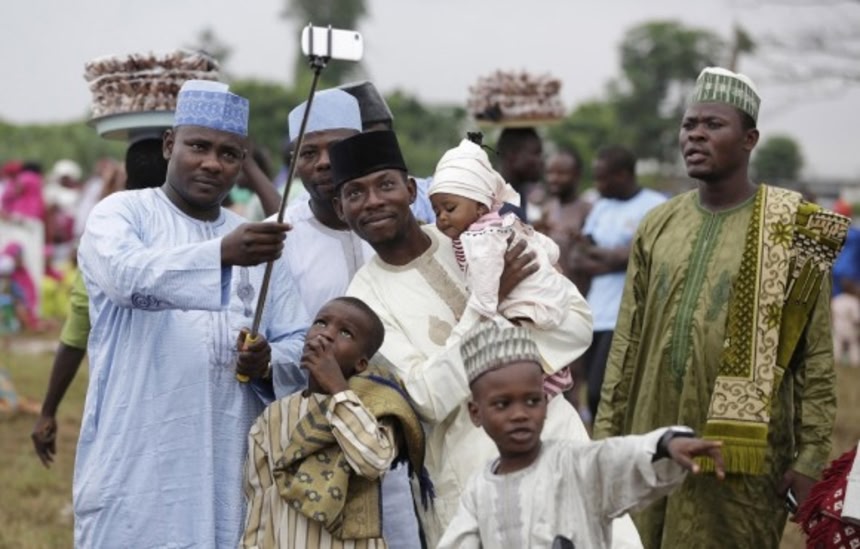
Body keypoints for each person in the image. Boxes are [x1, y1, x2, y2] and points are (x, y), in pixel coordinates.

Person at [331, 130, 641, 547]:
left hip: (556, 437)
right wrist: (487, 307)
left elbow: (574, 323)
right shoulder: (362, 299)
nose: (372, 201)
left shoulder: (486, 233)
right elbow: (426, 398)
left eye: (385, 185)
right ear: (340, 208)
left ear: (411, 190)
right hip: (470, 473)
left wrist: (491, 331)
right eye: (355, 193)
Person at [594, 67, 849, 548]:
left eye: (713, 124)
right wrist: (605, 438)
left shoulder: (792, 231)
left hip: (742, 461)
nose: (695, 135)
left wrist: (811, 458)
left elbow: (814, 356)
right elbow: (626, 340)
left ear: (749, 139)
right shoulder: (657, 224)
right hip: (649, 443)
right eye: (689, 124)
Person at [73, 80, 307, 548]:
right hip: (136, 458)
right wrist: (220, 255)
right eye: (198, 146)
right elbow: (124, 276)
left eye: (228, 153)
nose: (212, 163)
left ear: (242, 162)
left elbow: (298, 338)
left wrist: (267, 361)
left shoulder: (253, 239)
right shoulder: (121, 214)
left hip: (228, 458)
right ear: (169, 145)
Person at [272, 87, 422, 547]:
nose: (323, 163)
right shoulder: (279, 239)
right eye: (308, 153)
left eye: (335, 148)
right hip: (322, 434)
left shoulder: (397, 224)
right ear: (294, 161)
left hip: (412, 422)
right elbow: (276, 343)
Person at [437, 322, 725, 549]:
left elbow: (623, 457)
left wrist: (667, 443)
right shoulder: (479, 490)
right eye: (503, 404)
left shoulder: (575, 463)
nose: (519, 414)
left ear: (546, 401)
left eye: (532, 401)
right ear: (476, 413)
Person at [241, 297, 429, 548]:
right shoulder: (273, 416)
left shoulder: (375, 408)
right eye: (320, 323)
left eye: (345, 333)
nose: (327, 334)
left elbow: (374, 460)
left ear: (361, 363)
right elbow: (259, 502)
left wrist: (337, 388)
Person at [31, 136, 170, 467]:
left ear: (126, 178)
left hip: (121, 403)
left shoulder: (106, 236)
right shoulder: (206, 235)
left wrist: (48, 410)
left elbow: (76, 332)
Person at [428, 136, 577, 396]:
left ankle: (539, 390)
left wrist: (481, 314)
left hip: (524, 305)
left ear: (479, 207)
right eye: (436, 211)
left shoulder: (480, 237)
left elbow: (486, 290)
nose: (441, 218)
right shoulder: (503, 220)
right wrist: (550, 260)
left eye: (450, 208)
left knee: (519, 355)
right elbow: (545, 244)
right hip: (545, 298)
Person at [571, 146, 665, 420]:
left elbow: (642, 256)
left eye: (602, 178)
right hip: (595, 313)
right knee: (590, 389)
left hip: (626, 314)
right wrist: (616, 258)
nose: (597, 185)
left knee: (600, 391)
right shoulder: (601, 207)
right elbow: (578, 256)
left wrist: (611, 256)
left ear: (622, 175)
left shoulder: (654, 205)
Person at [339, 80, 436, 225]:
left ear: (411, 190)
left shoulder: (433, 194)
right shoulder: (306, 214)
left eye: (376, 141)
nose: (367, 151)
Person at [539, 147, 591, 291]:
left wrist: (580, 241)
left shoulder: (588, 210)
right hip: (550, 292)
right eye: (550, 173)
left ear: (577, 175)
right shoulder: (547, 209)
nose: (553, 179)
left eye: (561, 173)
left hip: (578, 293)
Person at [496, 127, 544, 221]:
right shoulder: (501, 205)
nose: (540, 161)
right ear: (512, 155)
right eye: (535, 153)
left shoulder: (517, 195)